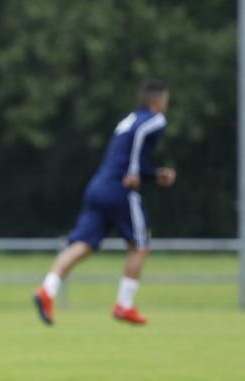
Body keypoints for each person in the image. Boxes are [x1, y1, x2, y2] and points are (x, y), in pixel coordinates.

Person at [33, 80, 175, 326]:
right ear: (157, 100)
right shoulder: (155, 120)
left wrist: (148, 174)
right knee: (140, 245)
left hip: (99, 185)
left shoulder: (127, 120)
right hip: (121, 189)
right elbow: (137, 149)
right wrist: (146, 175)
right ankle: (124, 305)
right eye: (165, 100)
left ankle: (47, 290)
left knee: (83, 245)